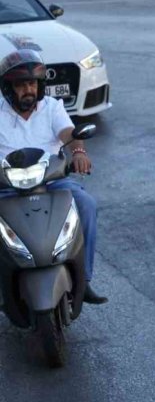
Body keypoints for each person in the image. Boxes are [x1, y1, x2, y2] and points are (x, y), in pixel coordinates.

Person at [0, 50, 106, 305]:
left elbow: (69, 131)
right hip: (6, 185)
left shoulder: (51, 107)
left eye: (32, 83)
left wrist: (78, 151)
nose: (28, 89)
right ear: (7, 88)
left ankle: (85, 280)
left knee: (86, 205)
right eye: (21, 84)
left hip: (51, 180)